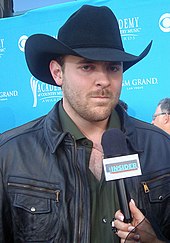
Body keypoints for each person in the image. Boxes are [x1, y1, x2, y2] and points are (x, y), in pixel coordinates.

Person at [0, 4, 170, 243]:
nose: (103, 80)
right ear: (58, 73)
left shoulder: (162, 148)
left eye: (113, 67)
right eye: (87, 66)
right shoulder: (10, 155)